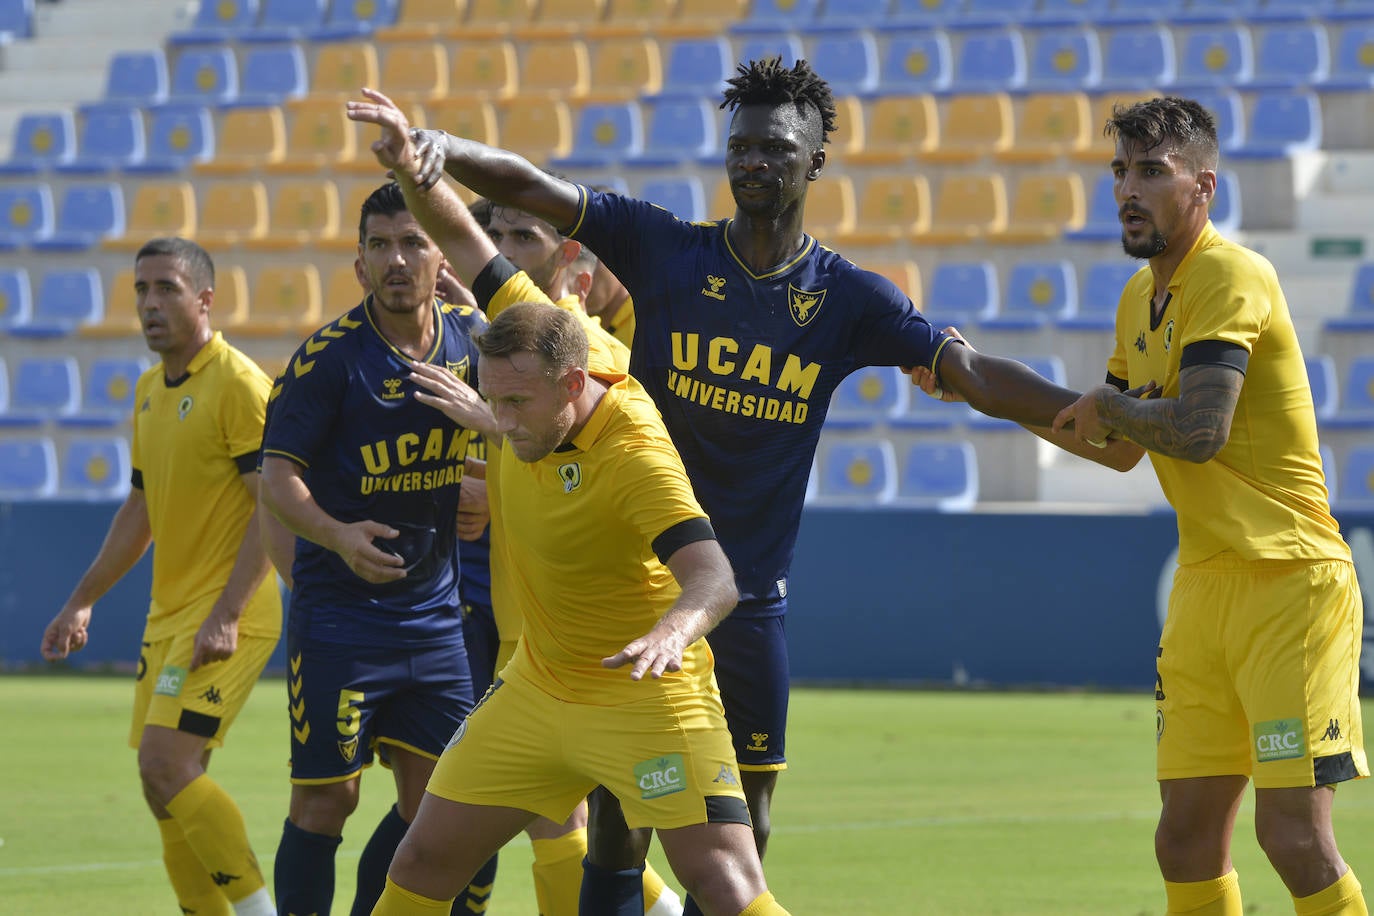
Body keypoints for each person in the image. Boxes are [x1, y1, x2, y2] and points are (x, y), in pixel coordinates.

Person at [350, 57, 1094, 913]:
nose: (754, 163)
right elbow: (534, 188)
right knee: (617, 834)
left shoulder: (846, 299)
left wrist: (1078, 416)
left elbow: (964, 371)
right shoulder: (665, 248)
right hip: (640, 595)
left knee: (743, 848)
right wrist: (434, 148)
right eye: (741, 146)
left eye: (776, 149)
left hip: (745, 599)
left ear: (815, 162)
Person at [1046, 97, 1368, 916]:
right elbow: (1113, 444)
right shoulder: (1135, 299)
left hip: (1288, 580)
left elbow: (1196, 430)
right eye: (1120, 170)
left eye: (1153, 171)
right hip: (1203, 587)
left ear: (1204, 187)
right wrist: (977, 384)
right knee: (1183, 838)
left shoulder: (1232, 273)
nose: (1128, 187)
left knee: (1292, 835)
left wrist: (1109, 407)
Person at [371, 300, 791, 916]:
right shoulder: (533, 414)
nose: (500, 421)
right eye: (491, 399)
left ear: (574, 382)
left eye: (516, 403)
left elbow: (714, 578)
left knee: (723, 882)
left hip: (642, 694)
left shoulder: (633, 454)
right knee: (420, 864)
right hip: (536, 689)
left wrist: (672, 633)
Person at [259, 182, 488, 916]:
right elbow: (276, 479)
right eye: (381, 246)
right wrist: (336, 534)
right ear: (359, 265)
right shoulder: (327, 361)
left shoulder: (473, 344)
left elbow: (533, 425)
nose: (398, 260)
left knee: (441, 814)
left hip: (436, 621)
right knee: (327, 803)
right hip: (341, 624)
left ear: (437, 255)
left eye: (413, 242)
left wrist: (488, 486)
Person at [40, 237, 280, 916]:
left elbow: (274, 507)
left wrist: (229, 613)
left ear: (203, 301)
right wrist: (80, 602)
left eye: (166, 288)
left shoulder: (237, 383)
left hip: (232, 609)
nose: (149, 303)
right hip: (171, 616)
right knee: (163, 784)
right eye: (142, 289)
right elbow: (140, 509)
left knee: (164, 765)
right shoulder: (149, 391)